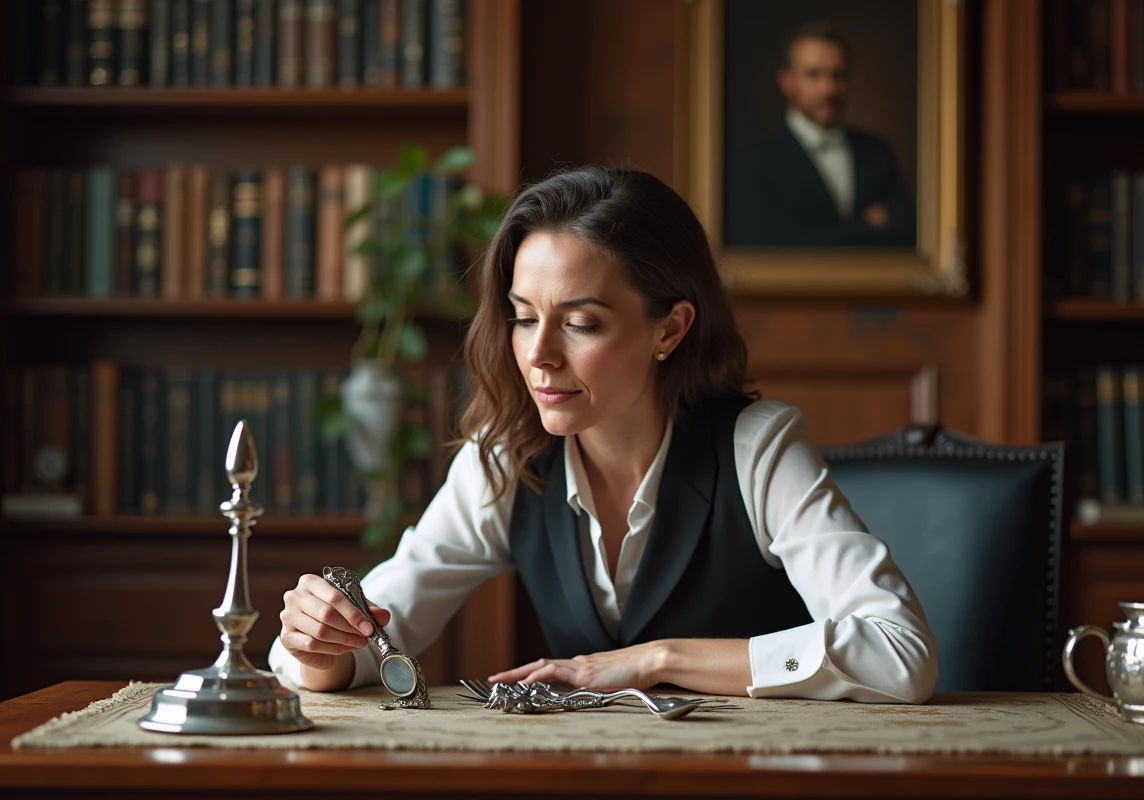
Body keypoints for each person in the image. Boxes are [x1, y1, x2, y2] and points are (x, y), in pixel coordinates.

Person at [268, 165, 938, 702]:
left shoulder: (756, 448)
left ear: (670, 329)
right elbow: (378, 631)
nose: (537, 355)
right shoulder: (506, 459)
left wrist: (655, 660)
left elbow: (900, 654)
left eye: (581, 323)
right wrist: (319, 646)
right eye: (524, 317)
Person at [724, 22, 916, 248]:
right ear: (786, 81)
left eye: (838, 75)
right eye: (813, 75)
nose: (828, 89)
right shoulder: (755, 163)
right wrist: (865, 228)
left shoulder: (878, 152)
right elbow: (764, 249)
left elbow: (906, 240)